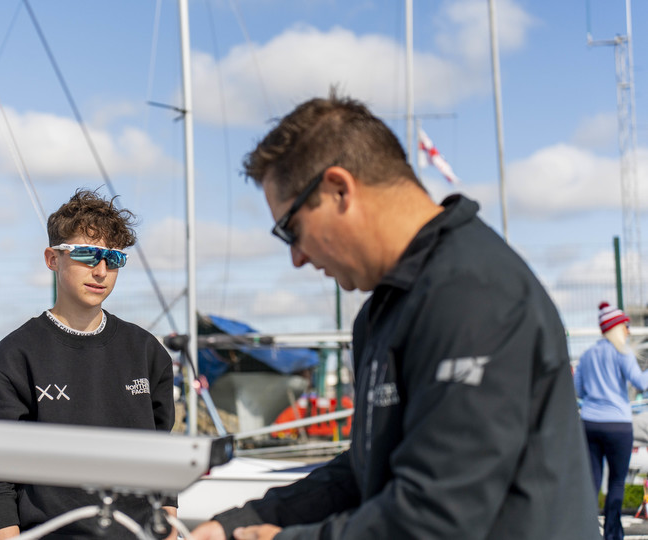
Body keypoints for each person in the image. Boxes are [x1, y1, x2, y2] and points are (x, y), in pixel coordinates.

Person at [190, 92, 600, 539]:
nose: (297, 258)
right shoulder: (383, 312)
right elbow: (364, 470)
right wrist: (240, 522)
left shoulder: (473, 293)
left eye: (291, 230)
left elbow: (441, 515)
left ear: (338, 190)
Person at [0, 189, 177, 540]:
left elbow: (163, 454)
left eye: (113, 259)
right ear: (52, 259)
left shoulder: (146, 351)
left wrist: (169, 528)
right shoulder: (12, 358)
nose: (101, 271)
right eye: (86, 254)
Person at [575, 301, 648, 540]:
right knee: (616, 482)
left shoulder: (587, 355)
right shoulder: (622, 352)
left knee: (593, 481)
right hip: (618, 425)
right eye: (626, 326)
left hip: (590, 423)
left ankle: (585, 531)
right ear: (616, 327)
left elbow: (579, 389)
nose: (628, 330)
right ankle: (612, 535)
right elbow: (641, 383)